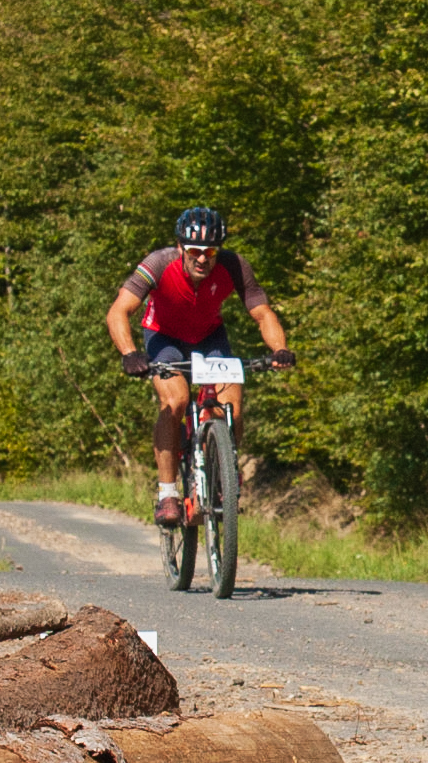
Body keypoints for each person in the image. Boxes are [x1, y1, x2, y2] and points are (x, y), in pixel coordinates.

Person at [105, 206, 294, 527]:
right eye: (194, 251)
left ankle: (221, 475)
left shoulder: (235, 266)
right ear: (180, 247)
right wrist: (129, 353)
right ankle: (168, 493)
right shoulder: (157, 264)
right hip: (164, 338)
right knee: (176, 400)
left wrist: (280, 349)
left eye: (211, 252)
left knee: (231, 406)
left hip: (209, 338)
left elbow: (263, 314)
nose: (203, 259)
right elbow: (118, 311)